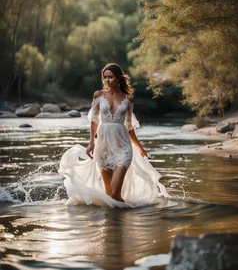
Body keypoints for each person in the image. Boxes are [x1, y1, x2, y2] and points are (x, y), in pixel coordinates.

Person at [58, 63, 170, 208]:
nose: (107, 80)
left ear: (118, 78)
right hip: (103, 147)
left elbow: (129, 127)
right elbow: (94, 121)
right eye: (105, 77)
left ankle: (124, 227)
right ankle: (113, 227)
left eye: (110, 77)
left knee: (115, 194)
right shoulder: (98, 95)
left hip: (122, 147)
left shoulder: (129, 98)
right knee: (109, 195)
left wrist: (140, 147)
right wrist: (91, 143)